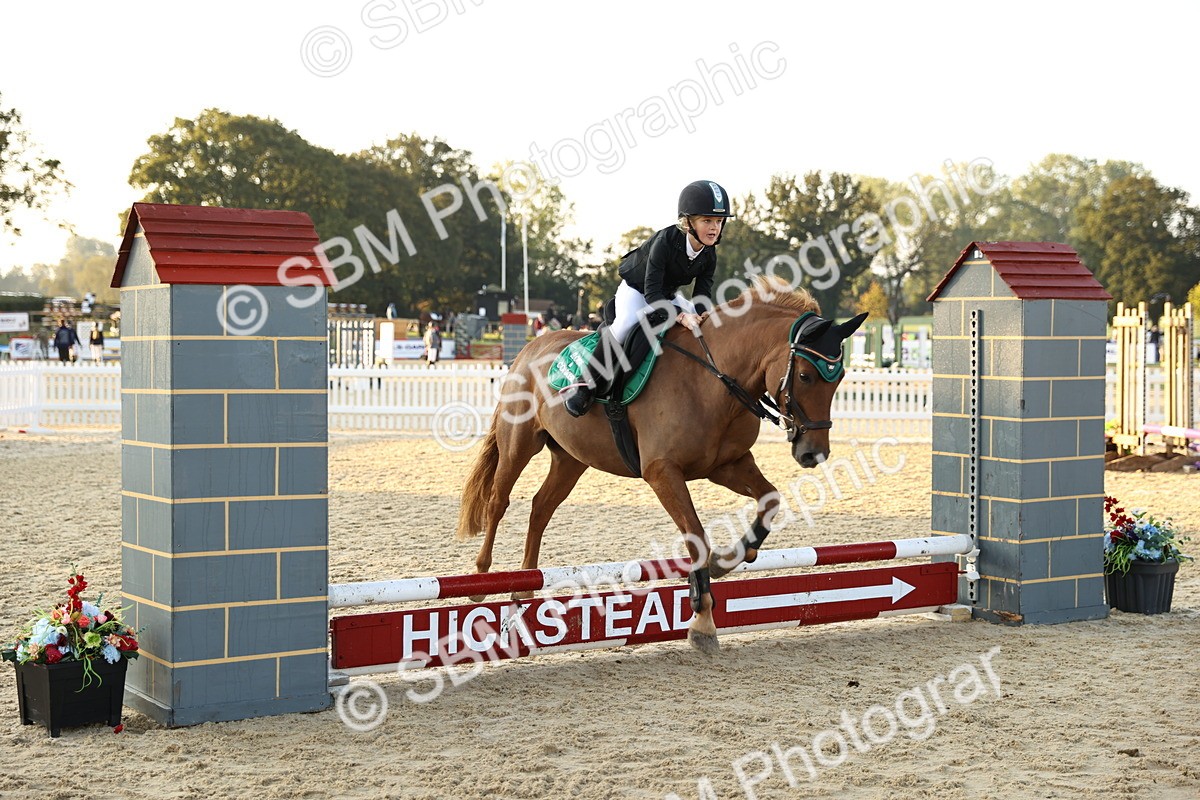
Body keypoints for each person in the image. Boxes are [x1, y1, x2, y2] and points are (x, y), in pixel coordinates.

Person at [561, 180, 733, 417]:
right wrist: (681, 315)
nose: (714, 227)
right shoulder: (665, 241)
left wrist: (703, 315)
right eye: (707, 221)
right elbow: (651, 293)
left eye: (719, 221)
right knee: (624, 325)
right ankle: (583, 385)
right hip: (637, 291)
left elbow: (702, 294)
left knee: (708, 323)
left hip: (667, 295)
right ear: (688, 222)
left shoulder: (709, 253)